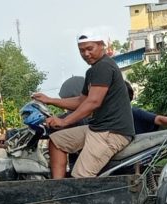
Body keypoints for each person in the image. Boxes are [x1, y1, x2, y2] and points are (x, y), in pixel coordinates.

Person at [32, 34, 135, 179]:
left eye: (90, 48)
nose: (86, 54)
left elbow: (93, 102)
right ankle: (57, 189)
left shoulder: (103, 66)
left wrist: (64, 121)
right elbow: (82, 101)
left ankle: (74, 198)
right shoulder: (93, 70)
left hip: (112, 132)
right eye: (81, 50)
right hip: (98, 128)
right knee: (56, 141)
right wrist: (50, 100)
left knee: (81, 175)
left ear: (101, 45)